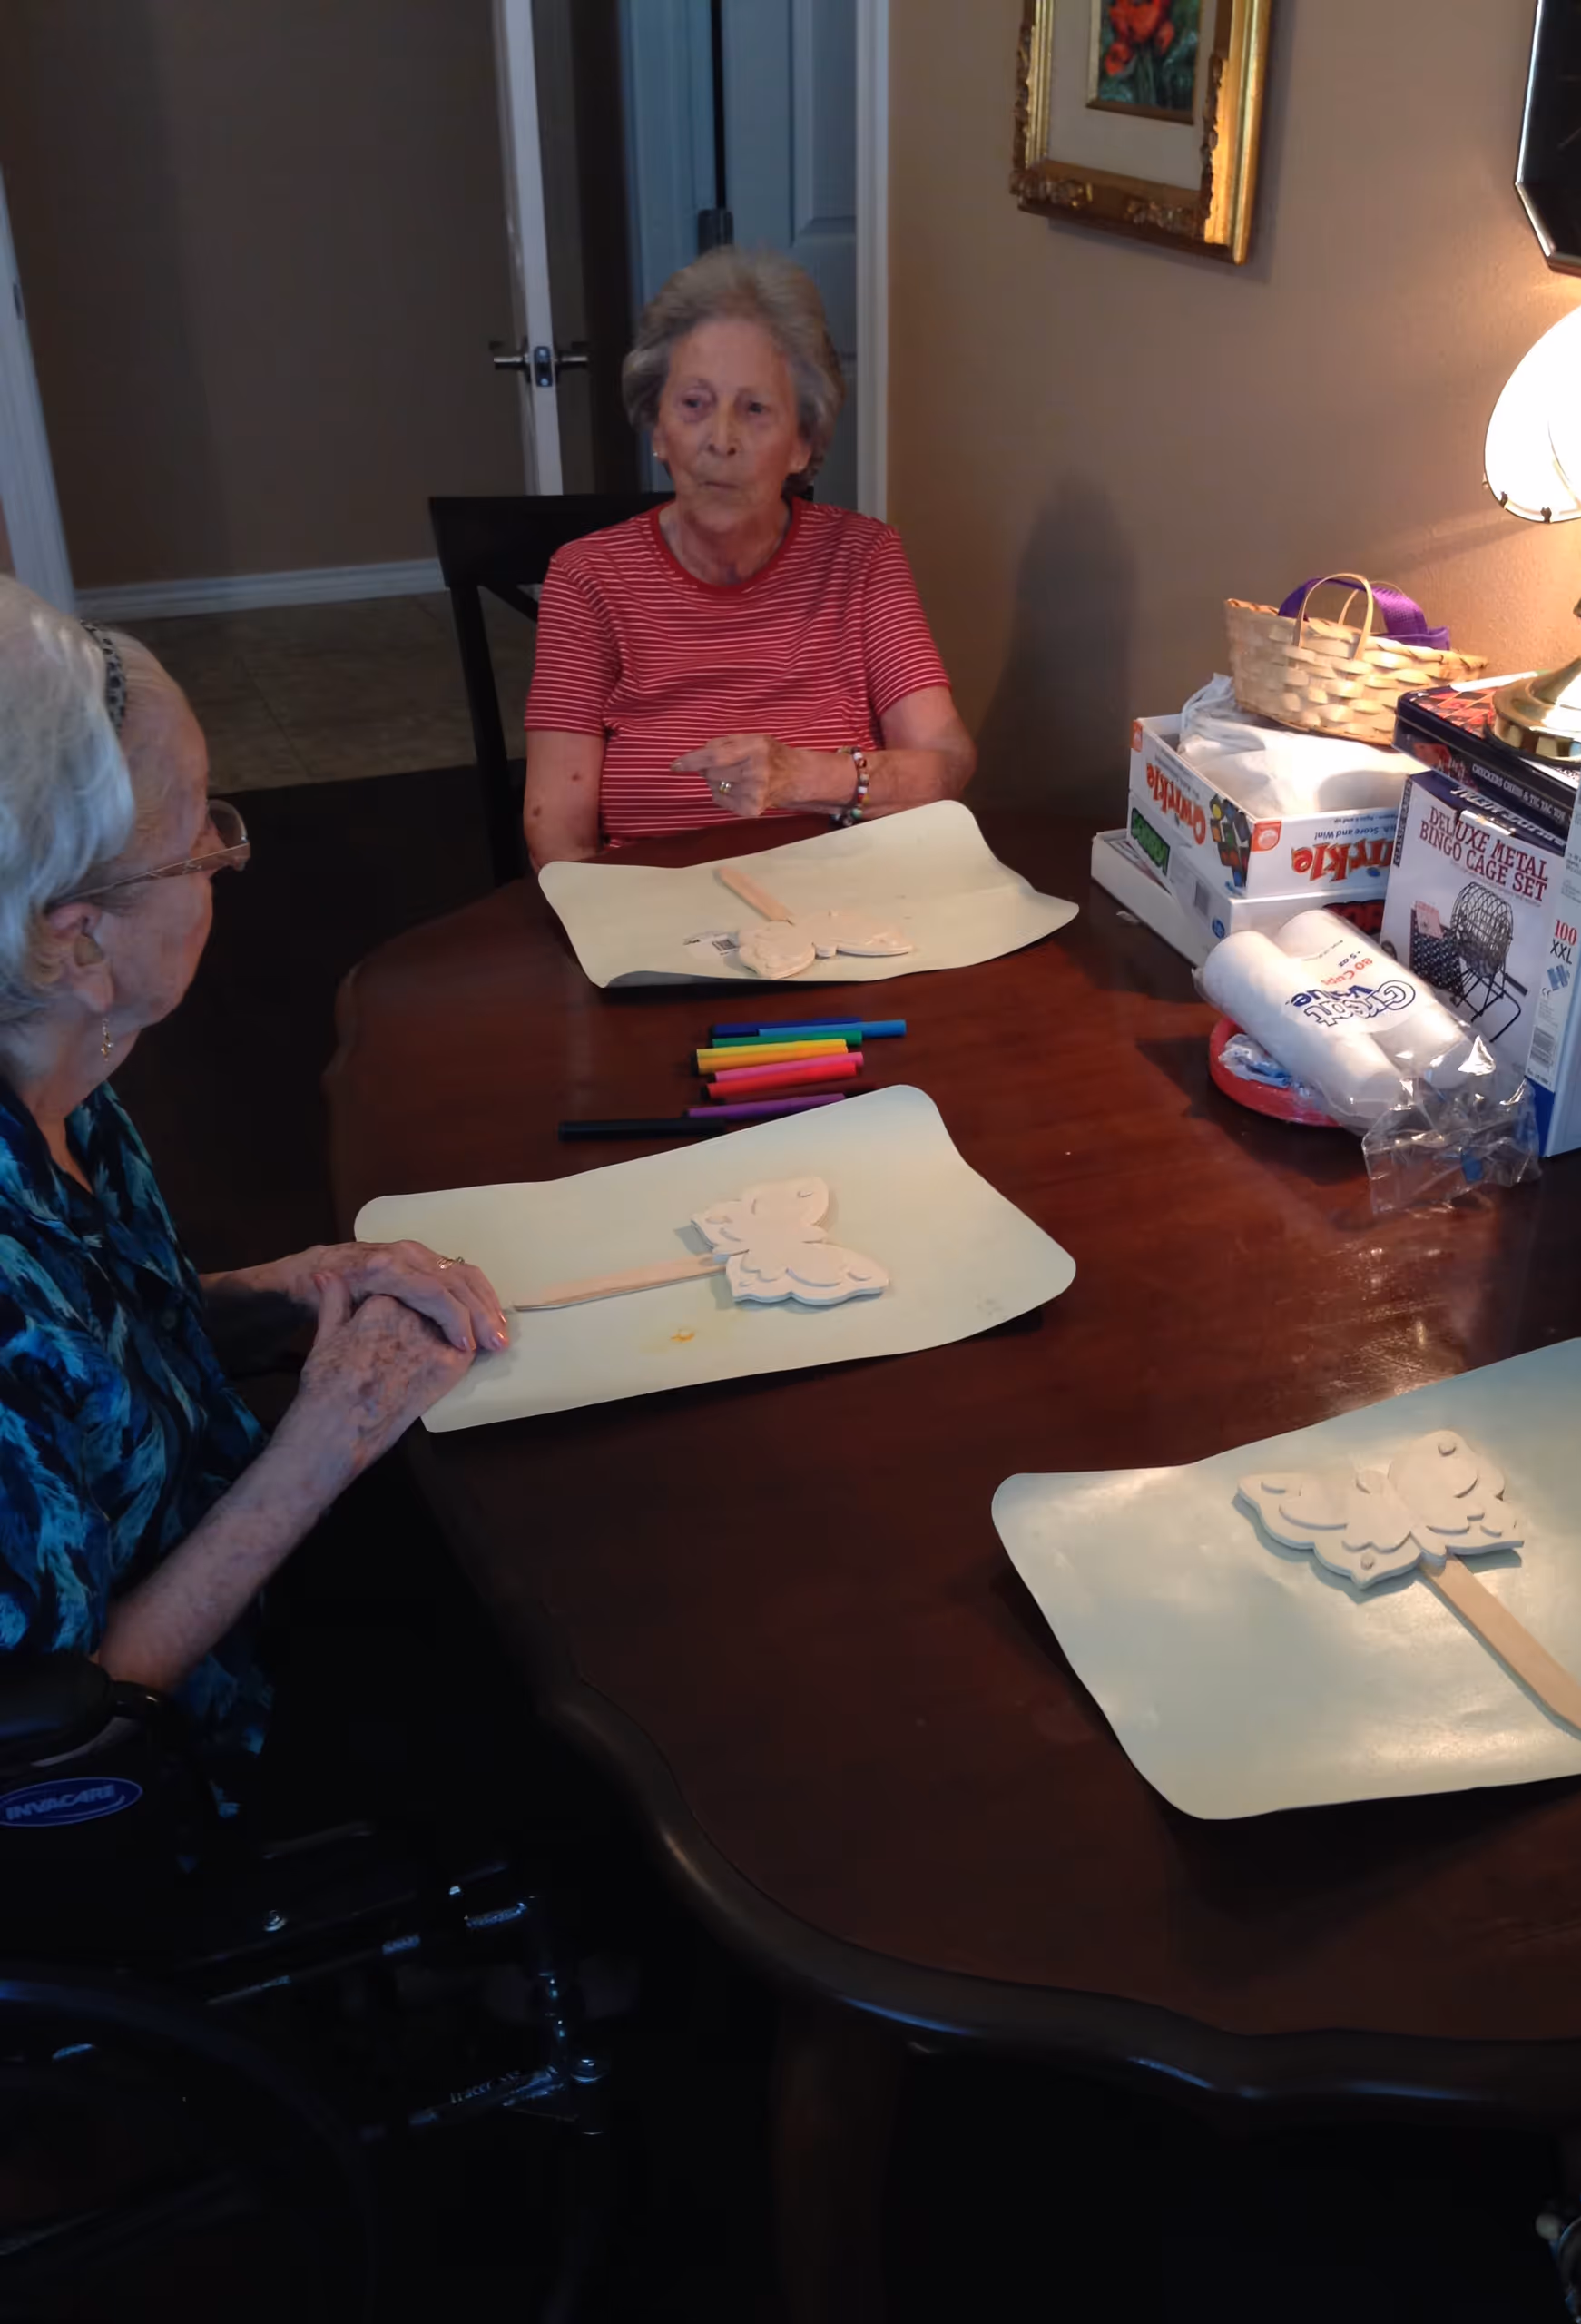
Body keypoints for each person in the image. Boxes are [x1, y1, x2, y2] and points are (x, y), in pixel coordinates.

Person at [0, 576, 509, 1796]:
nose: (227, 860)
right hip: (171, 1772)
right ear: (75, 940)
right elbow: (66, 1720)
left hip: (230, 1520)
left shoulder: (62, 1067)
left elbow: (97, 1361)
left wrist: (287, 1291)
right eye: (201, 839)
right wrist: (321, 1441)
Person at [522, 245, 975, 864]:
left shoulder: (863, 558)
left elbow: (947, 767)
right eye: (693, 405)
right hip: (655, 910)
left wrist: (803, 777)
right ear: (658, 429)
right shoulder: (587, 578)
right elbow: (557, 833)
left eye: (755, 409)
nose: (721, 440)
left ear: (801, 443)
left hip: (847, 904)